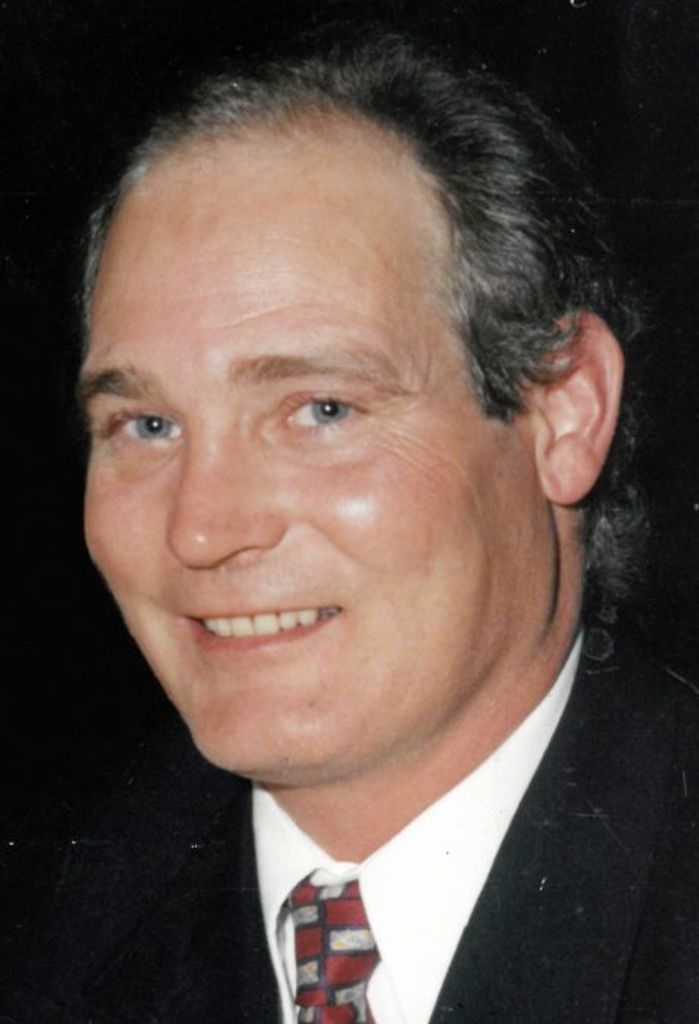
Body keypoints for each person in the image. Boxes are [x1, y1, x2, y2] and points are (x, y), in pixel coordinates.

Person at [2, 32, 697, 1024]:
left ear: (563, 414)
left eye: (320, 410)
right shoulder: (45, 935)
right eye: (147, 425)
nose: (201, 531)